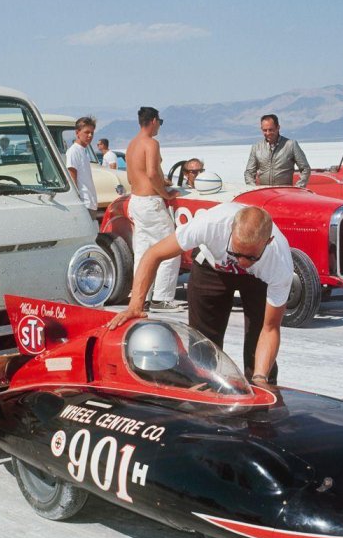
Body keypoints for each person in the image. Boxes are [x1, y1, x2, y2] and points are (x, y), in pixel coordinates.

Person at [108, 204, 293, 385]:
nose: (242, 262)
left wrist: (260, 378)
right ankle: (205, 391)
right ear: (230, 230)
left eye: (251, 257)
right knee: (204, 346)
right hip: (211, 268)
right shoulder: (210, 224)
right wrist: (135, 306)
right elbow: (154, 254)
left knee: (257, 347)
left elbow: (270, 329)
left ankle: (261, 392)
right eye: (236, 253)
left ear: (268, 242)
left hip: (257, 278)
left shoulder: (279, 260)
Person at [125, 106, 181, 312]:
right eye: (160, 123)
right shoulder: (151, 143)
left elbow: (133, 177)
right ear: (154, 121)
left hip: (136, 201)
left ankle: (141, 297)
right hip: (150, 202)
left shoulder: (131, 145)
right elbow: (150, 173)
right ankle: (162, 297)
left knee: (143, 251)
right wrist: (165, 193)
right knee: (171, 248)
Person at [244, 114, 311, 188]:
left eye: (271, 130)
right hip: (264, 193)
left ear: (278, 127)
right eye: (265, 130)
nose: (268, 133)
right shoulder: (256, 147)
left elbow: (305, 169)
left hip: (285, 194)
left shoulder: (291, 145)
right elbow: (249, 172)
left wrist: (299, 187)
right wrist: (253, 189)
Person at [65, 116, 99, 217]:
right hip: (84, 203)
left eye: (92, 133)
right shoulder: (73, 151)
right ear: (77, 133)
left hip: (90, 202)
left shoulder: (83, 151)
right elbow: (72, 177)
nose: (90, 135)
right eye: (86, 132)